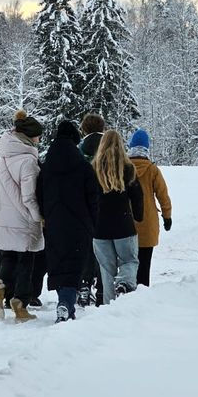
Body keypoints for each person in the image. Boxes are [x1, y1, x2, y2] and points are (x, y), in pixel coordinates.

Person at [36, 121, 99, 323]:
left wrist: (46, 214)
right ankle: (66, 304)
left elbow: (39, 193)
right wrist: (92, 220)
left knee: (59, 262)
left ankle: (64, 300)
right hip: (79, 223)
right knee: (75, 263)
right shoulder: (82, 166)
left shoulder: (46, 166)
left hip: (54, 222)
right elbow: (93, 196)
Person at [0, 110, 44, 322]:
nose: (39, 140)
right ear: (30, 137)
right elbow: (29, 196)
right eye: (38, 136)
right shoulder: (28, 160)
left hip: (4, 215)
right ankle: (20, 304)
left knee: (8, 255)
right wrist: (38, 216)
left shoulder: (4, 155)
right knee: (26, 260)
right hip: (23, 218)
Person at [91, 130, 144, 304]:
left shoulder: (94, 168)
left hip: (100, 228)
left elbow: (87, 198)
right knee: (129, 260)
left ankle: (109, 307)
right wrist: (138, 215)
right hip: (123, 225)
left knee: (106, 270)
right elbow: (137, 195)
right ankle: (124, 286)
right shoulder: (128, 169)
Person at [126, 129, 172, 287]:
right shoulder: (152, 170)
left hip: (125, 221)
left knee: (127, 261)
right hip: (147, 222)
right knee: (144, 262)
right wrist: (167, 216)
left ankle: (125, 287)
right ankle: (142, 291)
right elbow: (162, 195)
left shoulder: (123, 168)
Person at [78, 112, 106, 307]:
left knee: (87, 246)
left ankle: (84, 283)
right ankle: (103, 287)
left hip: (85, 203)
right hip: (108, 202)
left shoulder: (80, 149)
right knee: (104, 248)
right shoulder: (110, 146)